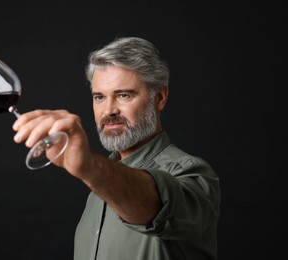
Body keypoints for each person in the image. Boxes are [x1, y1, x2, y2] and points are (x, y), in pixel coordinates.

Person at [12, 37, 221, 260]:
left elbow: (155, 205)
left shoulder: (192, 174)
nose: (109, 110)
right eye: (99, 97)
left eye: (123, 95)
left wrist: (90, 167)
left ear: (159, 98)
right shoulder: (99, 186)